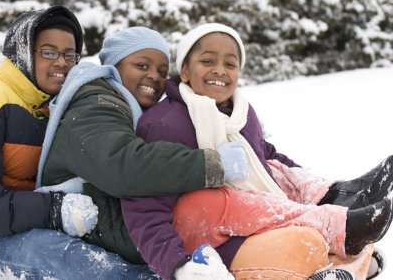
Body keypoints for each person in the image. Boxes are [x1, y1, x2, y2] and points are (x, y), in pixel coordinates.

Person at [121, 23, 393, 280]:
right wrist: (177, 266)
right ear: (185, 71)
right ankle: (338, 229)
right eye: (207, 61)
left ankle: (338, 195)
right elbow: (144, 208)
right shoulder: (165, 124)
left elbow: (265, 156)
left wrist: (309, 186)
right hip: (203, 235)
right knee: (215, 198)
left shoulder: (239, 112)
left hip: (248, 221)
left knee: (275, 168)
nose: (220, 70)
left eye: (230, 64)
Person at [34, 26, 249, 279]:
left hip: (110, 226)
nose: (155, 77)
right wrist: (214, 165)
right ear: (115, 66)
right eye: (142, 65)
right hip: (79, 228)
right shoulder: (96, 103)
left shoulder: (132, 109)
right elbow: (123, 166)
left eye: (161, 71)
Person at [0, 7, 166, 280]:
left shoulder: (58, 103)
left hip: (26, 220)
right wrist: (54, 209)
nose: (61, 62)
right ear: (22, 51)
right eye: (48, 52)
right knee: (81, 264)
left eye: (70, 55)